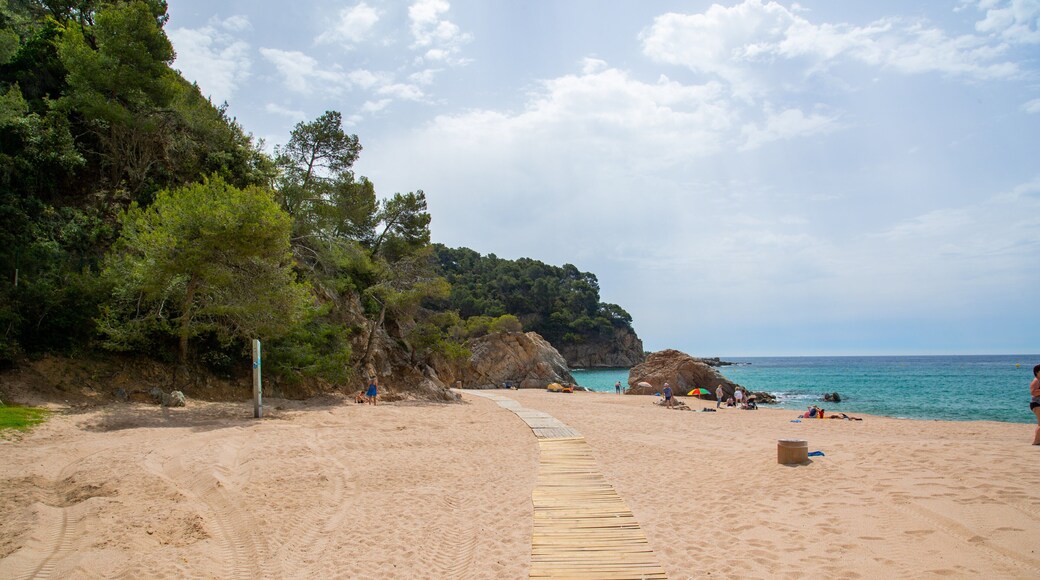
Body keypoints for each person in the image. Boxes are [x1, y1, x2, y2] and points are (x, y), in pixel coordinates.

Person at [1030, 364, 1040, 445]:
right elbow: (1033, 392)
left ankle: (1038, 441)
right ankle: (1036, 442)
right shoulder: (1036, 380)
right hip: (1036, 404)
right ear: (1037, 372)